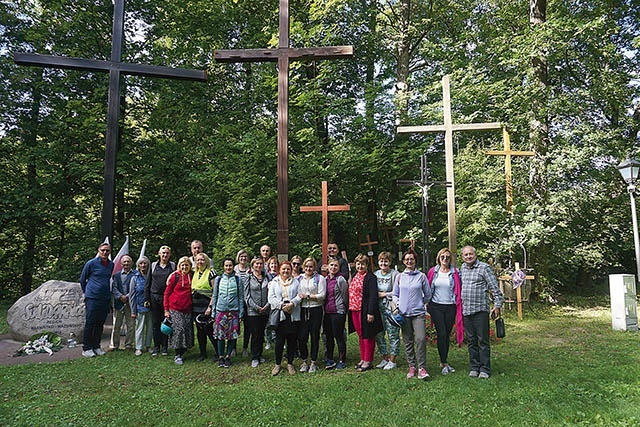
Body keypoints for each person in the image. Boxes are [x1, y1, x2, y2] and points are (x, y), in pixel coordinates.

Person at [460, 245, 503, 379]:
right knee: (471, 341)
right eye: (466, 255)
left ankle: (485, 369)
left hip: (480, 311)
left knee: (482, 341)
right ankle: (474, 367)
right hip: (467, 311)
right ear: (462, 257)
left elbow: (494, 288)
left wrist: (497, 305)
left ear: (475, 255)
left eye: (470, 254)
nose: (468, 256)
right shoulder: (462, 268)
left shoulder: (484, 268)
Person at [393, 249, 432, 380]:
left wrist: (420, 303)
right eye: (407, 259)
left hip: (418, 314)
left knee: (420, 339)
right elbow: (395, 294)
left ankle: (422, 368)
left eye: (412, 259)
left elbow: (428, 294)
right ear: (403, 261)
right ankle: (412, 366)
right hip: (404, 314)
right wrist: (398, 305)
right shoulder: (399, 277)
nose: (409, 261)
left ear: (415, 261)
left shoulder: (421, 276)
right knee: (407, 340)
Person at [426, 247, 464, 375]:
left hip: (450, 306)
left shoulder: (455, 273)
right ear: (439, 258)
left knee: (446, 335)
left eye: (447, 257)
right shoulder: (433, 271)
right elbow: (427, 287)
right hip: (436, 306)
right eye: (443, 257)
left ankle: (444, 360)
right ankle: (444, 362)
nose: (445, 259)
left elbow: (459, 288)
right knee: (441, 333)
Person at [348, 254, 383, 372]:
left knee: (368, 335)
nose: (360, 266)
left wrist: (371, 312)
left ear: (367, 265)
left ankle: (368, 360)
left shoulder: (370, 277)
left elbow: (373, 296)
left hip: (365, 310)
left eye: (363, 264)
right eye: (358, 263)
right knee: (361, 335)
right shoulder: (354, 276)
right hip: (354, 309)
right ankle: (362, 358)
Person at [207, 258, 244, 368]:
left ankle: (228, 356)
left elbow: (241, 297)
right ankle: (221, 357)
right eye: (226, 265)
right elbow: (215, 296)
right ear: (223, 266)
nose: (228, 268)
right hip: (220, 311)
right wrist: (213, 312)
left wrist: (241, 312)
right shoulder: (218, 279)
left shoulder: (237, 280)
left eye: (230, 265)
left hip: (234, 311)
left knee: (232, 335)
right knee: (220, 336)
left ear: (233, 266)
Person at [79, 242, 114, 357]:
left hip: (104, 298)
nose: (105, 252)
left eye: (107, 251)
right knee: (90, 323)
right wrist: (88, 292)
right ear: (98, 251)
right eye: (103, 250)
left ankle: (96, 346)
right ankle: (87, 348)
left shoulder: (111, 265)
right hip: (92, 298)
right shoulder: (91, 263)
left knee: (100, 323)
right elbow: (82, 279)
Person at [267, 261, 302, 376]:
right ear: (279, 270)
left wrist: (292, 303)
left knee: (292, 340)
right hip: (280, 315)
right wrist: (282, 306)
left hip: (292, 314)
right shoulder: (274, 283)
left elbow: (300, 295)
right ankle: (277, 364)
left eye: (288, 269)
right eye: (283, 269)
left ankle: (290, 363)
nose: (286, 271)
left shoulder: (296, 282)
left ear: (291, 270)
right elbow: (271, 298)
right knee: (279, 341)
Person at [297, 257, 326, 373]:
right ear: (303, 267)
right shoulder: (299, 279)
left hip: (316, 310)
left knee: (314, 336)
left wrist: (308, 296)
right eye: (306, 266)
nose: (308, 268)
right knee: (302, 336)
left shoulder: (320, 278)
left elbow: (322, 295)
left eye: (311, 266)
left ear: (314, 267)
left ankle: (313, 361)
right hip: (303, 310)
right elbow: (296, 293)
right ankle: (304, 360)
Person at [145, 245, 175, 356]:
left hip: (168, 298)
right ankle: (156, 347)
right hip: (154, 298)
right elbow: (147, 283)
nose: (165, 255)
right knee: (155, 323)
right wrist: (146, 298)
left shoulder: (172, 266)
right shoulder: (153, 266)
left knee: (166, 323)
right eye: (163, 253)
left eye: (167, 253)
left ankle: (165, 347)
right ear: (159, 253)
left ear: (169, 254)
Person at [164, 257, 194, 365]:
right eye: (182, 265)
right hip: (175, 307)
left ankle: (184, 349)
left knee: (186, 329)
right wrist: (166, 309)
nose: (184, 267)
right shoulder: (175, 276)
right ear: (179, 266)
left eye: (186, 265)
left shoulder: (192, 276)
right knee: (179, 329)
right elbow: (167, 293)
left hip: (187, 307)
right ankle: (178, 354)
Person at [374, 251, 400, 370]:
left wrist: (384, 294)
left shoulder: (395, 274)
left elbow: (397, 291)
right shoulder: (375, 274)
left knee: (392, 334)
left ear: (390, 262)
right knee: (379, 334)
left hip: (391, 308)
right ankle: (384, 358)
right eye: (381, 261)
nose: (383, 263)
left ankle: (393, 360)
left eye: (386, 261)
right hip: (378, 308)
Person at [323, 257, 349, 370]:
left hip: (338, 312)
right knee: (328, 336)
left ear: (338, 268)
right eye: (331, 265)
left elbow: (345, 296)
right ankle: (330, 359)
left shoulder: (341, 280)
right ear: (328, 267)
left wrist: (344, 309)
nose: (333, 267)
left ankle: (342, 359)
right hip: (327, 312)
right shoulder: (325, 279)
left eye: (335, 266)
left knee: (338, 336)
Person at [244, 257, 270, 367]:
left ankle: (260, 354)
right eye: (256, 264)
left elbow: (271, 292)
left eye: (260, 264)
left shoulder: (267, 277)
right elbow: (246, 296)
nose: (259, 266)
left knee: (261, 334)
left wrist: (267, 306)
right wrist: (256, 307)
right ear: (252, 265)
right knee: (255, 334)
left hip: (265, 310)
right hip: (253, 311)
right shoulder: (248, 278)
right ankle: (254, 357)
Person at [191, 252, 217, 361]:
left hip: (206, 306)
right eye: (198, 260)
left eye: (202, 260)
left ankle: (218, 352)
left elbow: (215, 291)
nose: (200, 262)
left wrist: (210, 307)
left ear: (206, 261)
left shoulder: (211, 272)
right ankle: (203, 353)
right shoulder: (194, 273)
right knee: (200, 331)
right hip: (196, 306)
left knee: (209, 330)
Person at [109, 254, 135, 351]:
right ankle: (114, 345)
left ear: (131, 263)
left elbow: (135, 288)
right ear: (121, 263)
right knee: (116, 325)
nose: (126, 263)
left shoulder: (135, 274)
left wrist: (127, 297)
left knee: (131, 326)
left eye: (128, 261)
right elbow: (114, 288)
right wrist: (120, 296)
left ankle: (128, 345)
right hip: (118, 303)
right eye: (124, 261)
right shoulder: (116, 275)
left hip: (130, 304)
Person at [129, 256, 153, 356]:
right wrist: (133, 311)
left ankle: (148, 345)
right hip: (139, 307)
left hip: (151, 307)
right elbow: (131, 295)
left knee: (150, 327)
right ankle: (138, 347)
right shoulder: (134, 278)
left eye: (145, 263)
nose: (143, 265)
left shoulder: (151, 276)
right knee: (139, 327)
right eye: (141, 264)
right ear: (138, 265)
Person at [235, 249, 251, 357]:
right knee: (235, 326)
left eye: (245, 257)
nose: (243, 259)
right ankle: (233, 348)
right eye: (241, 256)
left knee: (248, 327)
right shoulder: (234, 269)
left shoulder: (250, 269)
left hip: (248, 302)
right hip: (236, 302)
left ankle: (245, 347)